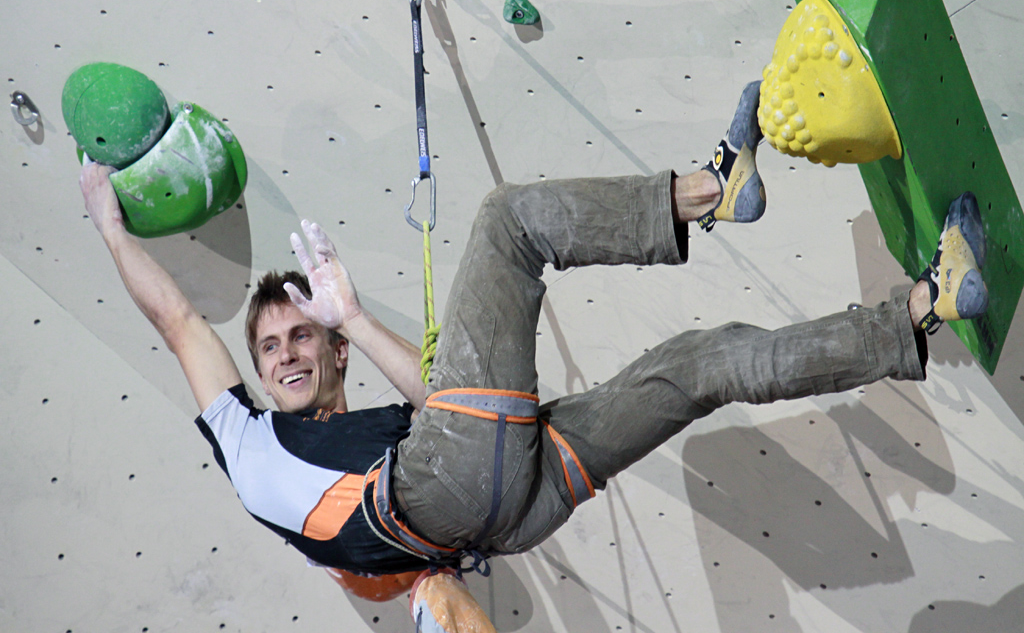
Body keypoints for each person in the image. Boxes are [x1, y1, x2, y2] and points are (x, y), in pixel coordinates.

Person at [80, 82, 988, 618]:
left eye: (301, 337)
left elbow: (443, 412)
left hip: (502, 511)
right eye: (270, 344)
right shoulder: (241, 438)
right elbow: (180, 324)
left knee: (701, 365)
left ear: (332, 356)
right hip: (460, 494)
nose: (282, 354)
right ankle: (714, 188)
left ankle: (920, 309)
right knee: (508, 222)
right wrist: (109, 227)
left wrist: (352, 314)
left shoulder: (364, 439)